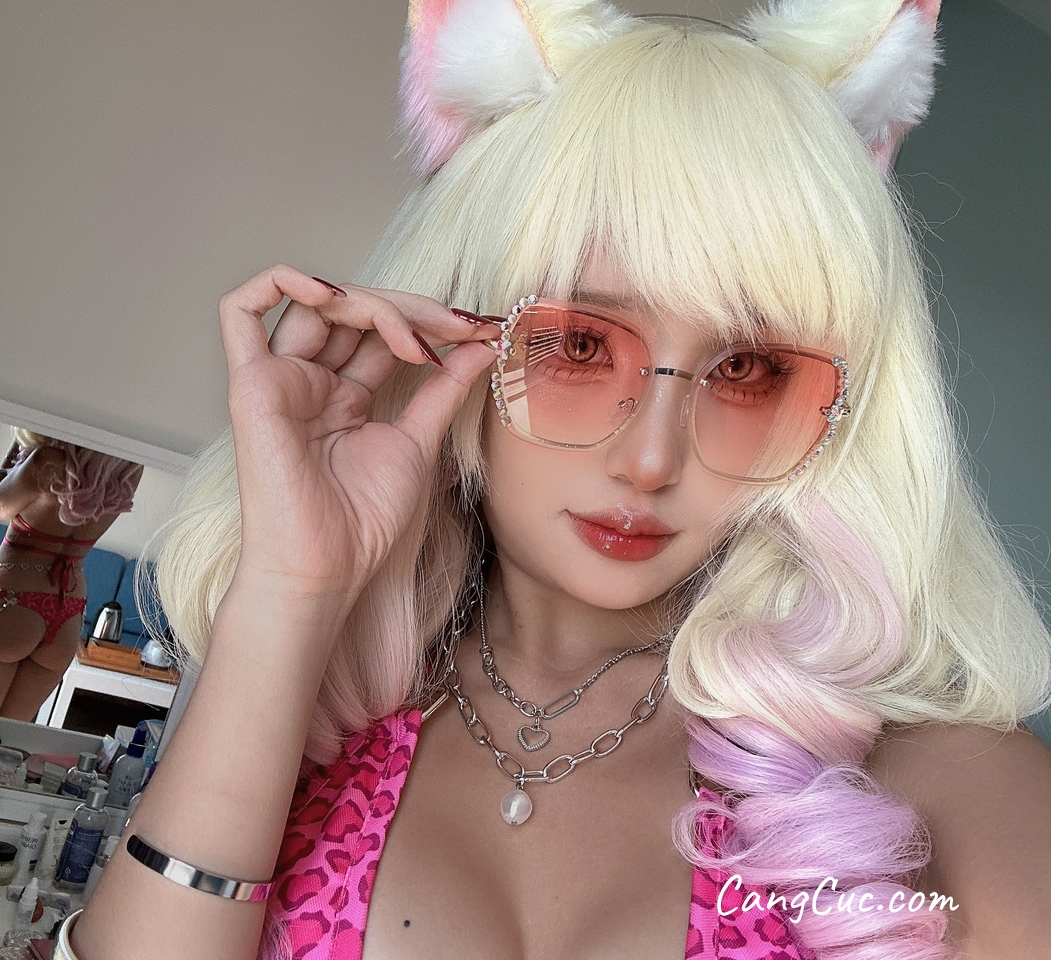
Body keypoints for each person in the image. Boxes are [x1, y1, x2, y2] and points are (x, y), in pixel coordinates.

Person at [67, 2, 1051, 958]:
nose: (651, 460)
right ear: (458, 340)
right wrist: (290, 590)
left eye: (746, 370)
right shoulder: (300, 729)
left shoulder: (930, 793)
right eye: (581, 345)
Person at [0, 430, 143, 721]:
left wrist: (21, 441)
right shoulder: (128, 468)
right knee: (3, 738)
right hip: (67, 610)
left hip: (12, 596)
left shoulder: (48, 460)